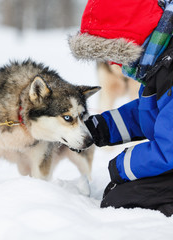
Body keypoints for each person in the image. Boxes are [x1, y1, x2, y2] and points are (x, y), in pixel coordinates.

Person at [68, 0, 173, 216]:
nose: (113, 63)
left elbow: (169, 149)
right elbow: (153, 113)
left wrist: (121, 166)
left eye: (114, 54)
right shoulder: (162, 64)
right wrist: (101, 127)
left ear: (134, 40)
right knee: (120, 194)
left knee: (121, 201)